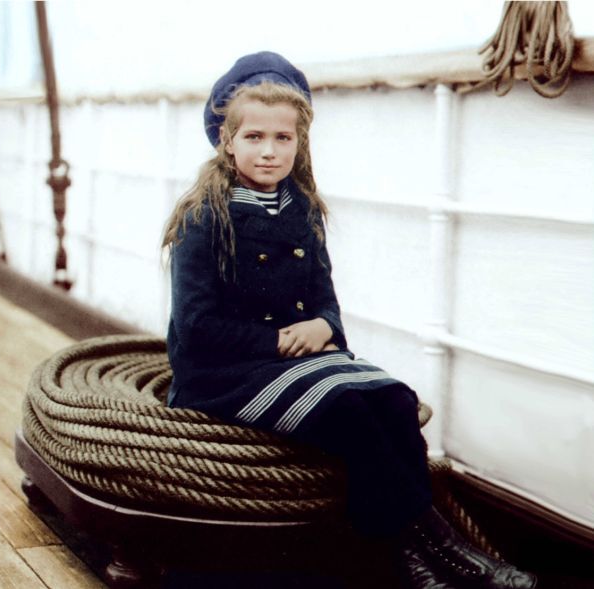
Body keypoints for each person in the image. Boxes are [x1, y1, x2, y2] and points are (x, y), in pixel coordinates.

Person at [161, 51, 537, 589]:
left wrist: (325, 328)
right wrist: (280, 340)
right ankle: (423, 559)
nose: (269, 151)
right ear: (227, 140)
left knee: (396, 400)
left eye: (283, 139)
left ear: (300, 142)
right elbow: (195, 326)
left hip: (294, 356)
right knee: (350, 412)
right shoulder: (204, 216)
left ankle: (435, 557)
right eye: (254, 137)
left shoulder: (303, 211)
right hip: (223, 374)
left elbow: (325, 299)